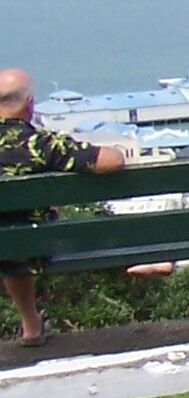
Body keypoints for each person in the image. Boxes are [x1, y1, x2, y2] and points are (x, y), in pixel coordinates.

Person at [0, 68, 126, 346]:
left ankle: (31, 323)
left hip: (11, 246)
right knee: (22, 236)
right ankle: (31, 324)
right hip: (27, 245)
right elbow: (112, 161)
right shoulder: (40, 144)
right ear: (30, 104)